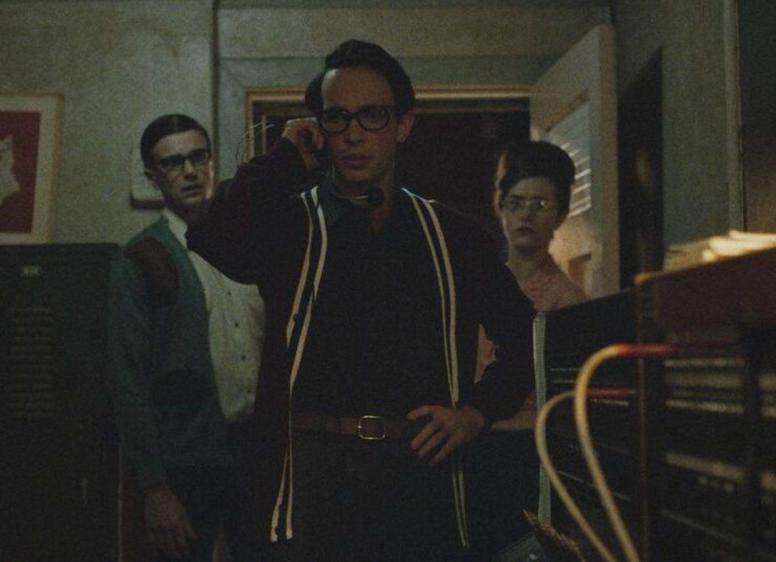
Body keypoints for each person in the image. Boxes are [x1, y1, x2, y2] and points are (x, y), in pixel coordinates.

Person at [186, 40, 535, 562]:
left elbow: (526, 334)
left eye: (373, 116)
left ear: (403, 125)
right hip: (310, 493)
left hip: (420, 485)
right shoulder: (292, 226)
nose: (354, 133)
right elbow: (209, 235)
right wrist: (284, 157)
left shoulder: (451, 236)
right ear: (319, 127)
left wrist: (475, 414)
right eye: (337, 117)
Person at [109, 114, 265, 562]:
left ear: (212, 162)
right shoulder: (142, 258)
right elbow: (127, 380)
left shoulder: (250, 245)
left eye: (198, 157)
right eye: (173, 163)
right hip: (187, 464)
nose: (190, 171)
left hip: (258, 457)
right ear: (152, 176)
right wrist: (154, 488)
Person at [472, 140, 587, 561]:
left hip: (529, 453)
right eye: (516, 203)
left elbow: (569, 403)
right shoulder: (474, 286)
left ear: (560, 214)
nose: (527, 215)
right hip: (468, 442)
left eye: (541, 204)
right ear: (500, 207)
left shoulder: (568, 302)